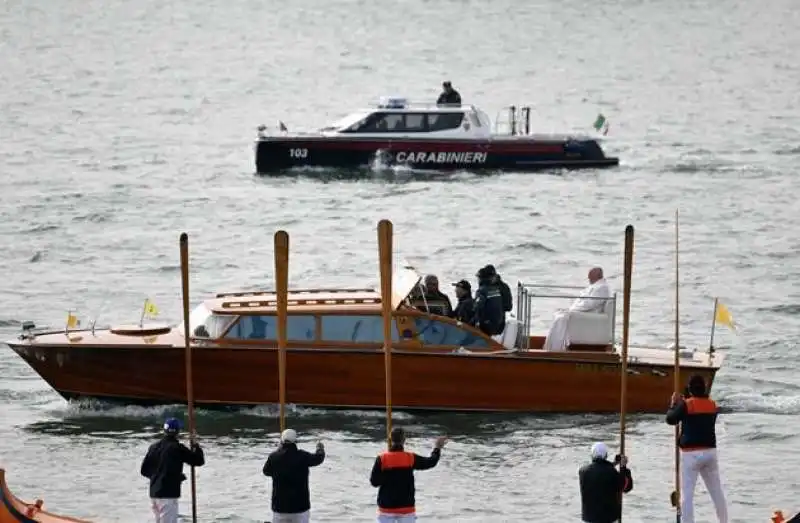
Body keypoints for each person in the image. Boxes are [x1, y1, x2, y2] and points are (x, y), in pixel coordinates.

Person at [666, 375, 728, 523]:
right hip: (710, 452)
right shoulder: (712, 405)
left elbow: (671, 419)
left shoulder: (686, 405)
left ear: (690, 389)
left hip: (691, 454)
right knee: (716, 491)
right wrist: (684, 401)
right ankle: (724, 521)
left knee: (687, 495)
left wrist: (673, 404)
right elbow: (697, 407)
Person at [370, 427, 447, 522]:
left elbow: (374, 482)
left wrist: (388, 475)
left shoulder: (382, 459)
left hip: (386, 507)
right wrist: (437, 447)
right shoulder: (410, 458)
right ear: (404, 440)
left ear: (390, 439)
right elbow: (431, 462)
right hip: (406, 507)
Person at [140, 417, 205, 523]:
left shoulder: (154, 447)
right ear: (178, 432)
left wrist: (159, 477)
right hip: (168, 495)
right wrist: (196, 444)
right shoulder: (177, 448)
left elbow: (144, 470)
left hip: (154, 493)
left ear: (164, 430)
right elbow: (198, 460)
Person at [263, 428, 326, 523]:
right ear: (296, 441)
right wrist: (320, 448)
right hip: (300, 507)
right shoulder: (303, 456)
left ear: (282, 441)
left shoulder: (274, 457)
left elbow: (266, 471)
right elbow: (318, 459)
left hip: (280, 507)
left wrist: (278, 451)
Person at [542, 267, 611, 351]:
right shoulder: (596, 286)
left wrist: (573, 309)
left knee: (562, 317)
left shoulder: (602, 287)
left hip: (589, 312)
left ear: (596, 276)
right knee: (559, 315)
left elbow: (590, 304)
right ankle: (553, 345)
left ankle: (556, 347)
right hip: (584, 310)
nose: (588, 278)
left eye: (590, 276)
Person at [578, 442, 633, 523]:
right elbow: (626, 486)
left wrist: (614, 463)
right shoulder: (611, 472)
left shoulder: (583, 471)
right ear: (606, 455)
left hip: (589, 518)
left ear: (592, 455)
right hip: (607, 518)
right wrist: (623, 467)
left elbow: (599, 471)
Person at [473, 266, 505, 336]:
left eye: (478, 278)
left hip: (486, 325)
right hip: (497, 324)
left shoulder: (482, 291)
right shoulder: (496, 290)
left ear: (482, 278)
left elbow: (477, 307)